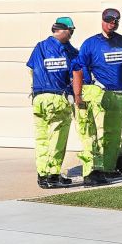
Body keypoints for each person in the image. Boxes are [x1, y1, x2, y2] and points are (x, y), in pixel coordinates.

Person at [72, 7, 122, 185]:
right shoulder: (90, 43)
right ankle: (98, 169)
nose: (111, 24)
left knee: (116, 134)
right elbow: (80, 66)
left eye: (114, 22)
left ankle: (112, 168)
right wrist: (84, 90)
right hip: (101, 94)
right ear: (102, 20)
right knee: (99, 134)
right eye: (108, 21)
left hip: (121, 94)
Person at [26, 17, 80, 189]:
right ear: (62, 30)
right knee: (57, 139)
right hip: (57, 98)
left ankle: (42, 175)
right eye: (71, 31)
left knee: (42, 139)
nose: (71, 34)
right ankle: (53, 175)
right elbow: (76, 73)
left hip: (38, 99)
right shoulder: (68, 50)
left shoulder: (39, 47)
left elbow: (31, 69)